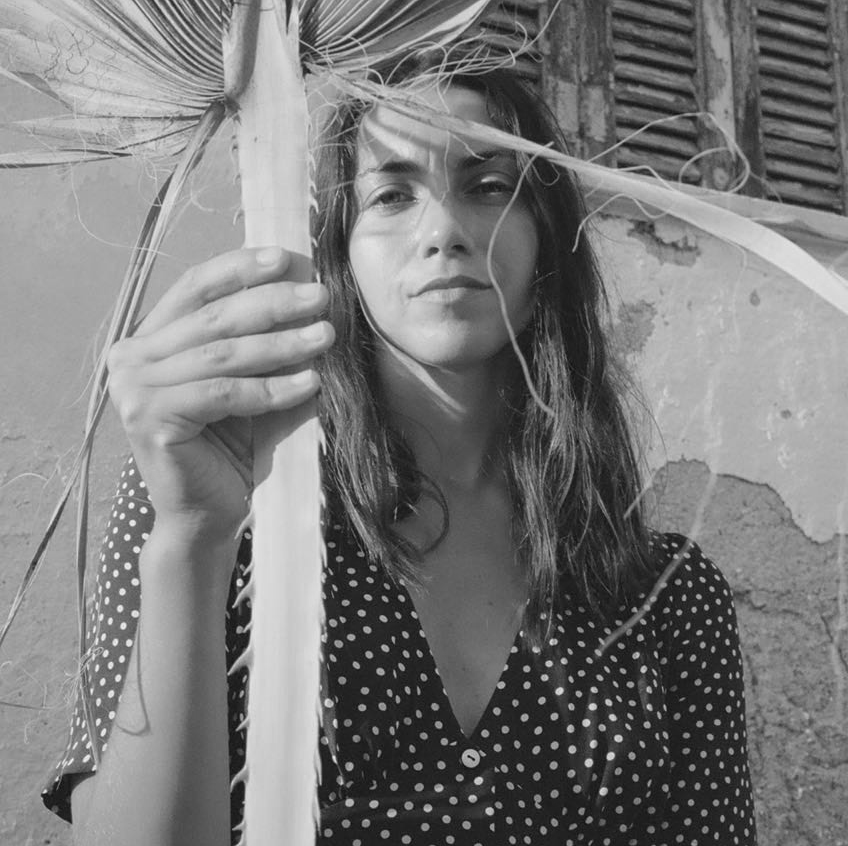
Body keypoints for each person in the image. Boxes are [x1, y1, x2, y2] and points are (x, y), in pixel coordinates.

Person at [42, 60, 757, 845]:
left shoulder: (667, 595)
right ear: (341, 253)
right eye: (391, 195)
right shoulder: (215, 497)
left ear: (549, 241)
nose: (444, 230)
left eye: (489, 186)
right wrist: (192, 537)